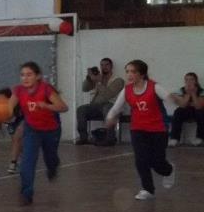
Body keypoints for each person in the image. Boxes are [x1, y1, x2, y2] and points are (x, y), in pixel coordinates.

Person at [106, 60, 181, 200]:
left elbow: (168, 97)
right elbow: (116, 107)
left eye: (133, 71)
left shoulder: (154, 87)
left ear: (142, 74)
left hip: (158, 129)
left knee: (157, 162)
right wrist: (110, 117)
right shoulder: (126, 90)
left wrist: (176, 100)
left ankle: (169, 170)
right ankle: (148, 189)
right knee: (141, 160)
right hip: (138, 129)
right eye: (127, 71)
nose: (129, 74)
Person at [7, 61, 68, 205]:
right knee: (27, 160)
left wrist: (46, 105)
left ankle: (53, 167)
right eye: (22, 75)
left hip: (51, 129)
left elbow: (63, 107)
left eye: (29, 75)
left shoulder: (46, 89)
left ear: (37, 76)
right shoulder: (18, 91)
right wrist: (0, 114)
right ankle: (26, 193)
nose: (25, 78)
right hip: (32, 129)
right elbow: (8, 109)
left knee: (50, 158)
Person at [76, 58, 124, 145]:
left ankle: (110, 139)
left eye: (106, 65)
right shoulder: (97, 77)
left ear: (111, 66)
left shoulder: (118, 80)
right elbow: (84, 88)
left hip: (112, 106)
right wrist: (89, 78)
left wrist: (98, 82)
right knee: (81, 109)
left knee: (107, 107)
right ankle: (83, 138)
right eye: (102, 65)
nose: (104, 67)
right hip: (96, 106)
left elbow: (108, 95)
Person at [169, 72, 204, 147]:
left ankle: (200, 138)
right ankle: (174, 139)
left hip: (197, 112)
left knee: (201, 112)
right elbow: (183, 105)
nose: (189, 82)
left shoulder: (201, 91)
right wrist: (188, 94)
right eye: (187, 80)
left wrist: (193, 93)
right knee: (178, 111)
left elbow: (198, 106)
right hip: (185, 111)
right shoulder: (181, 90)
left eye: (191, 79)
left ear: (196, 81)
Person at [0, 88, 24, 174]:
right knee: (16, 142)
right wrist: (0, 130)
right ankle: (23, 158)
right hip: (11, 124)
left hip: (22, 120)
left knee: (16, 138)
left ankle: (13, 163)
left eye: (3, 99)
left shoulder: (18, 104)